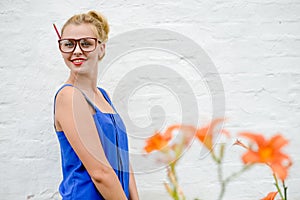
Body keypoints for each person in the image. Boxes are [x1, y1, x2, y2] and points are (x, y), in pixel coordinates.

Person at [53, 11, 139, 200]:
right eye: (68, 44)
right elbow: (100, 172)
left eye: (85, 43)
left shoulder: (103, 96)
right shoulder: (69, 97)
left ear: (101, 48)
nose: (76, 51)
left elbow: (122, 159)